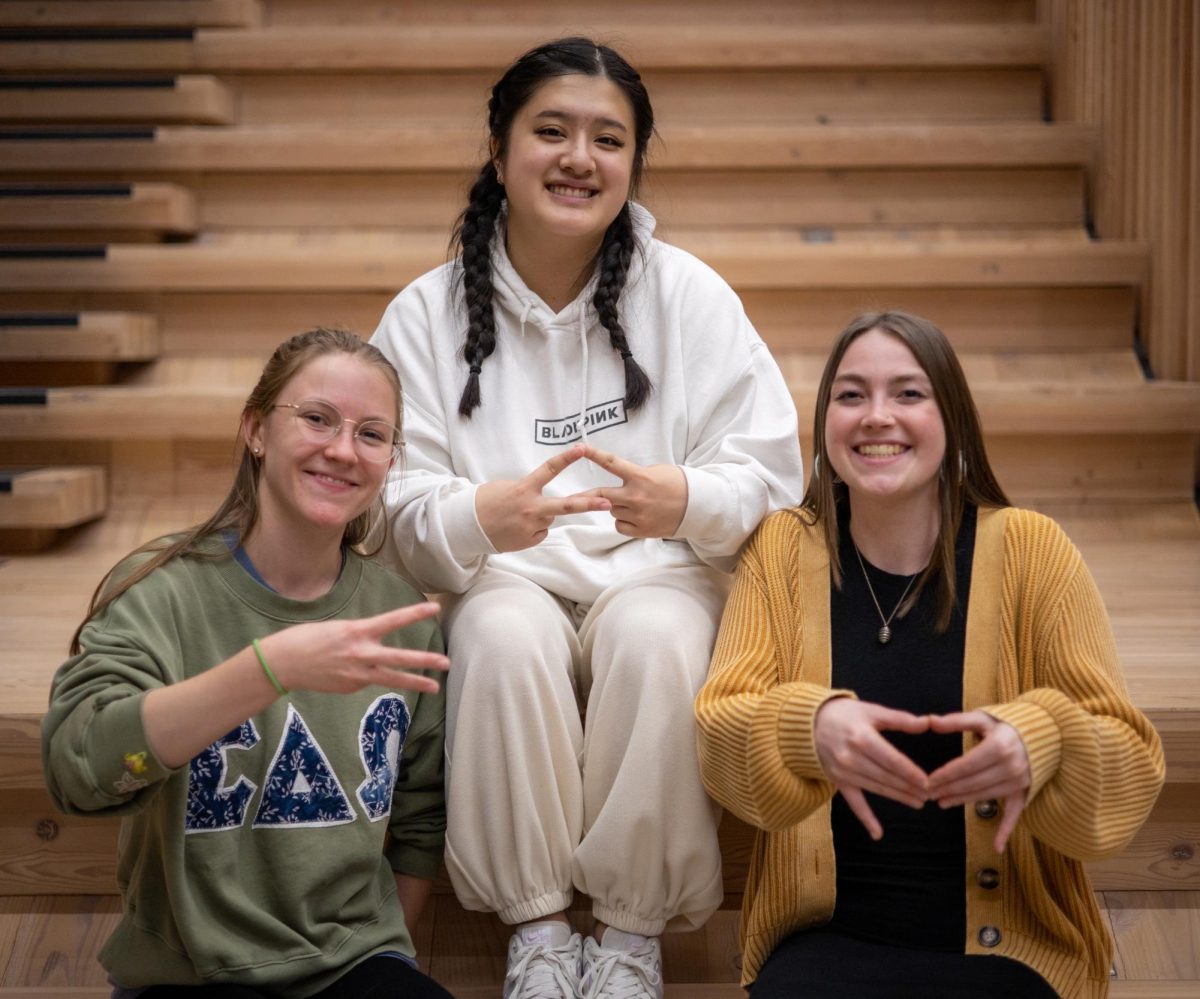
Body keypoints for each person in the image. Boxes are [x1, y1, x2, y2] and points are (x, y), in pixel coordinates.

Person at [370, 37, 803, 999]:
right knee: (499, 634)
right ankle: (536, 925)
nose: (580, 157)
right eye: (551, 131)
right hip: (504, 579)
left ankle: (626, 933)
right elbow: (391, 505)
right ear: (499, 150)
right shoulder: (425, 312)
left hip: (657, 574)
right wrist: (479, 516)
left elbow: (775, 473)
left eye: (608, 139)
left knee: (658, 639)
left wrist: (683, 499)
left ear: (633, 165)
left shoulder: (688, 292)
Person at [695, 310, 1166, 998]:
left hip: (1008, 955)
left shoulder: (1033, 550)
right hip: (823, 946)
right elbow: (719, 730)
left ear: (954, 421)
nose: (876, 416)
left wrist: (1046, 740)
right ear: (825, 423)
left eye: (908, 394)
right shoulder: (780, 550)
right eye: (850, 395)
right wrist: (808, 729)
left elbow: (1130, 760)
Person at [42, 328, 455, 999]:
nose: (343, 449)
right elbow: (79, 767)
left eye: (372, 433)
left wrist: (383, 954)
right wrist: (269, 668)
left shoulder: (400, 610)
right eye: (317, 418)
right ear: (257, 430)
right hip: (192, 975)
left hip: (352, 965)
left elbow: (419, 815)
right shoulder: (161, 590)